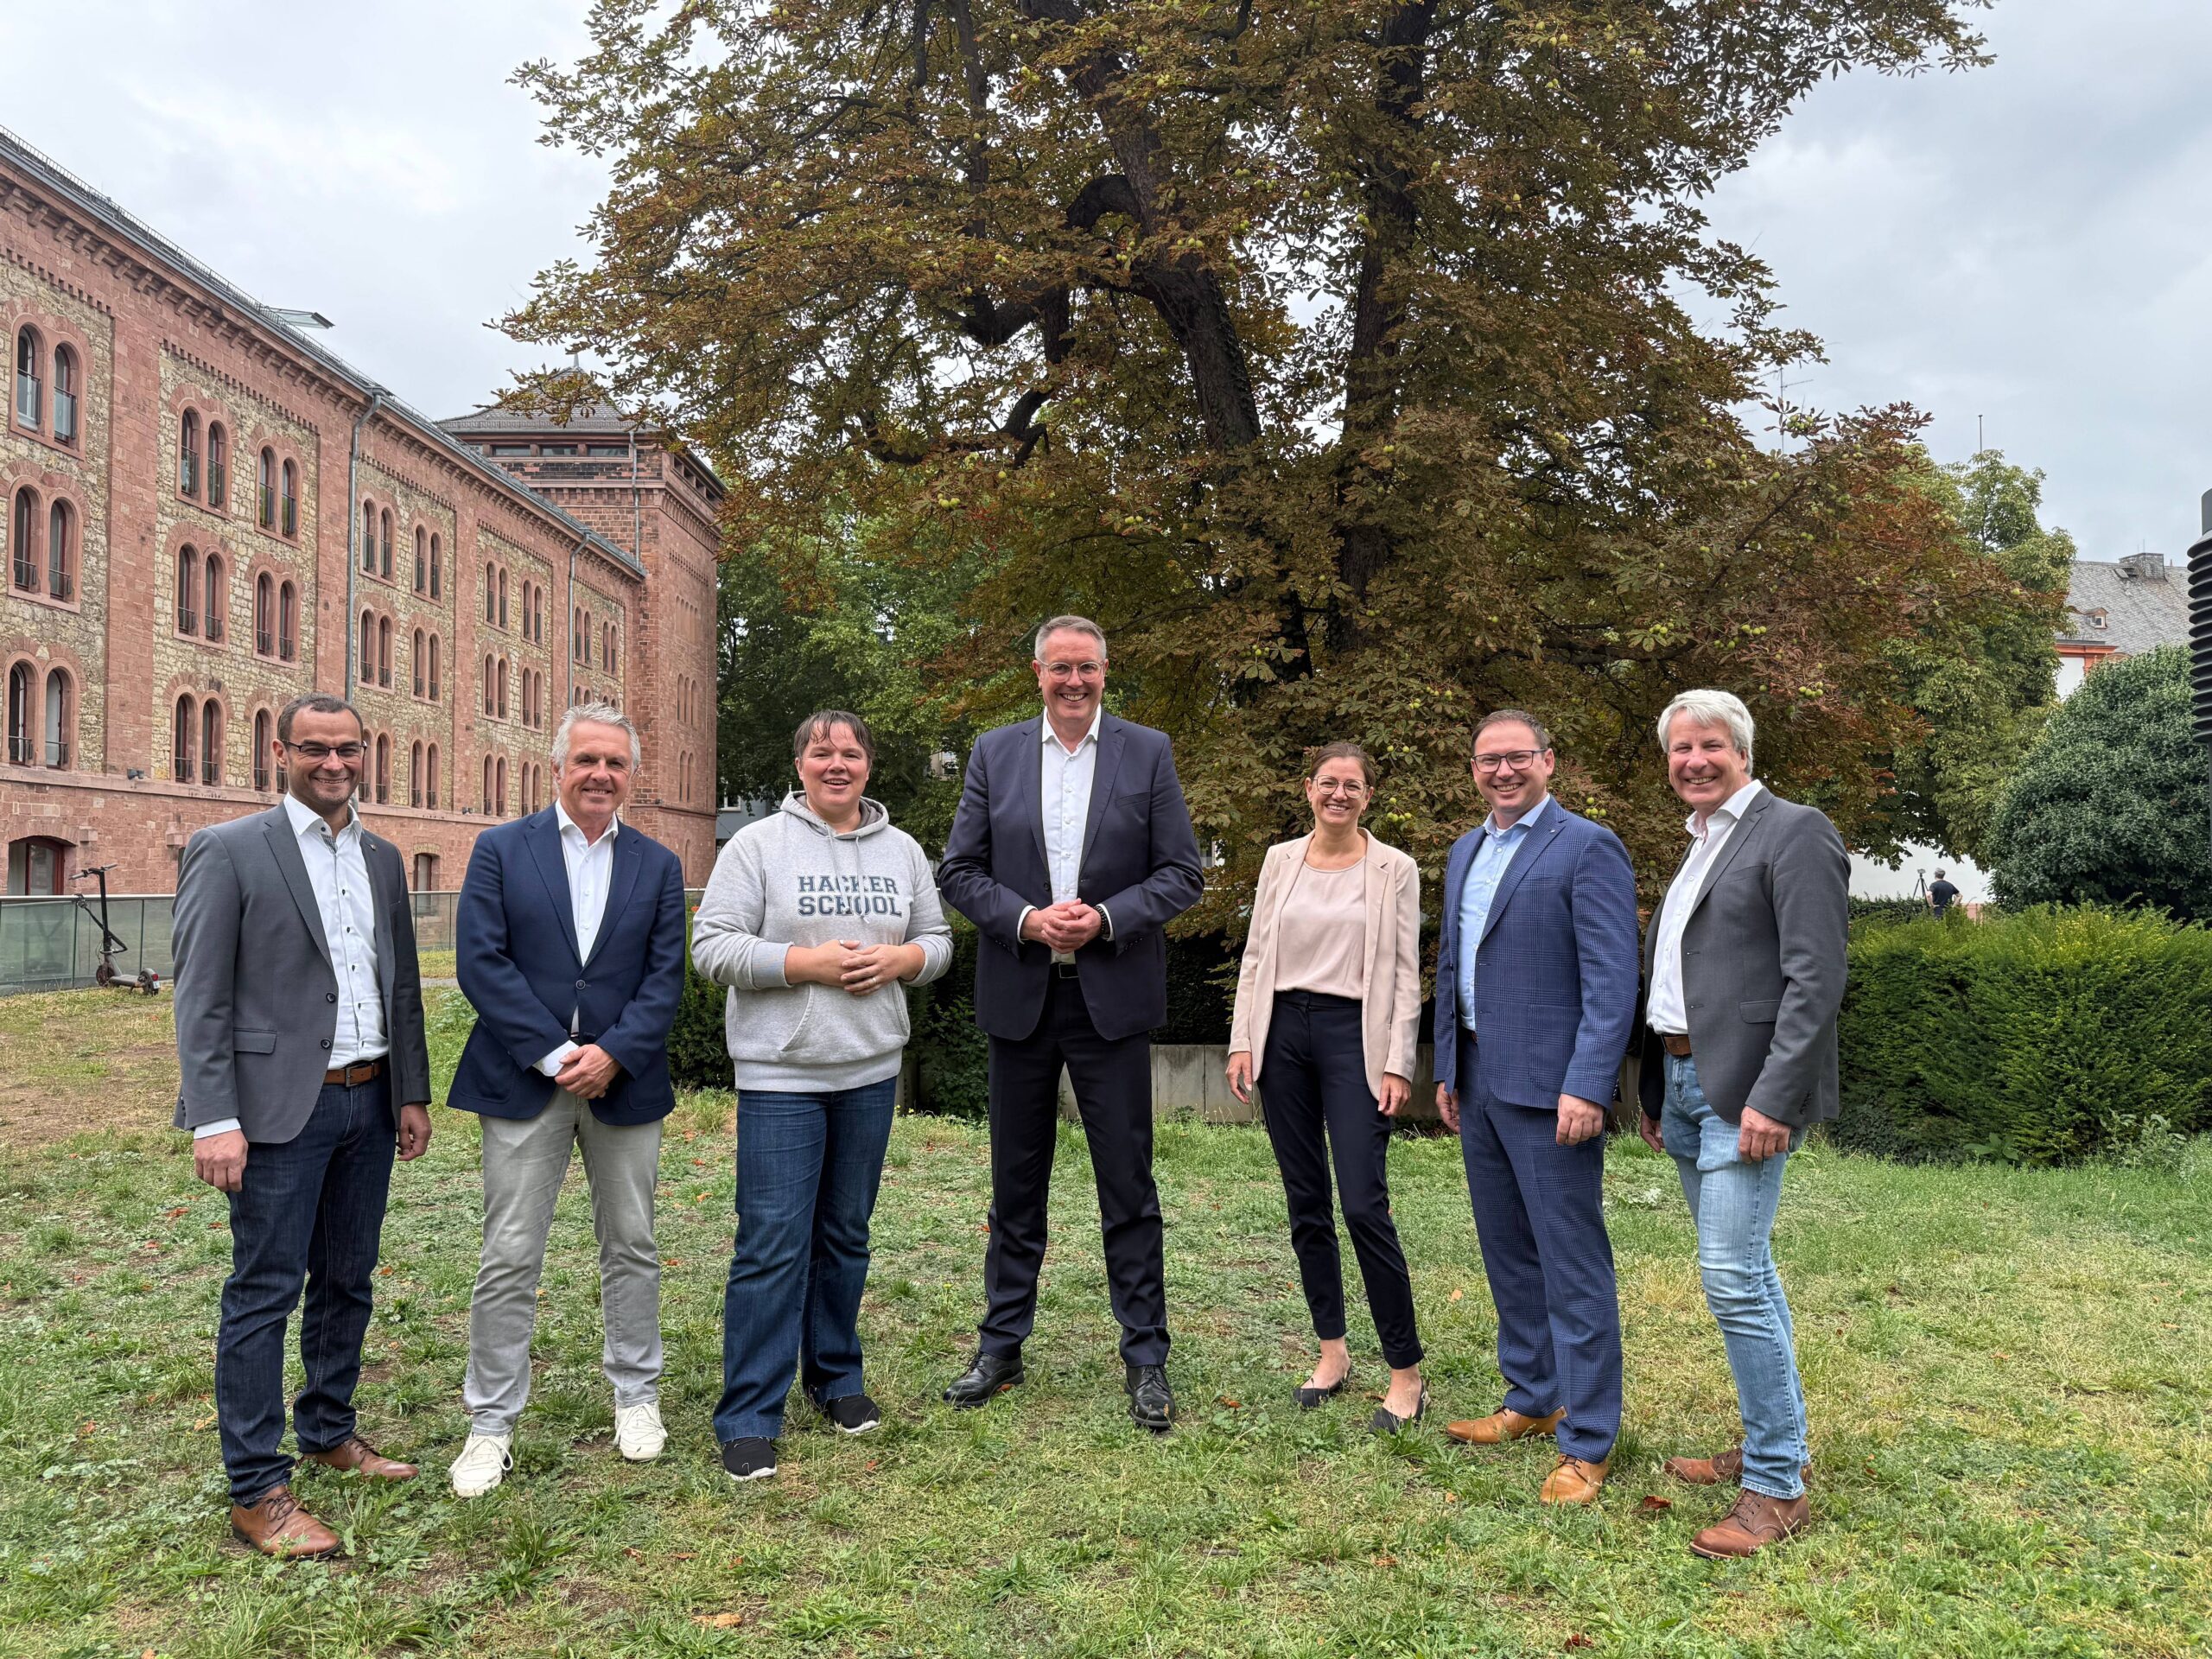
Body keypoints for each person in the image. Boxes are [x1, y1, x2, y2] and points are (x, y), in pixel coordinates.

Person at [172, 693, 434, 1559]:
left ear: (367, 755)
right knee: (264, 1291)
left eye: (349, 750)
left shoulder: (385, 859)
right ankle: (256, 1491)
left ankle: (328, 1428)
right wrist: (215, 1117)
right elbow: (201, 998)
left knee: (348, 1277)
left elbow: (399, 984)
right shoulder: (230, 851)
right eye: (315, 749)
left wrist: (410, 1092)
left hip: (367, 1098)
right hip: (279, 1108)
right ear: (281, 751)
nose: (335, 764)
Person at [936, 614, 1204, 1431]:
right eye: (1060, 668)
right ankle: (1001, 1345)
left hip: (1110, 1000)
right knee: (1016, 1186)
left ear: (1105, 669)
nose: (1074, 681)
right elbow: (959, 869)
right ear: (1037, 672)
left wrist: (1108, 919)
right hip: (1021, 996)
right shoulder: (995, 753)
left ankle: (1146, 1359)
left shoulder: (1146, 752)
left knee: (1128, 1184)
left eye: (1087, 667)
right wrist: (1023, 920)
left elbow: (1181, 874)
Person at [690, 711, 954, 1483]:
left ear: (868, 765)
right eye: (820, 752)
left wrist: (902, 957)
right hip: (782, 1076)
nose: (836, 764)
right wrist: (803, 963)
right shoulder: (756, 846)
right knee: (772, 1243)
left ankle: (836, 1378)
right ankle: (748, 1414)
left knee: (846, 1234)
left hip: (869, 1069)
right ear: (799, 764)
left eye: (850, 753)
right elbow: (711, 946)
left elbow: (938, 941)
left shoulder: (902, 850)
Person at [445, 703, 687, 1498]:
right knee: (510, 1254)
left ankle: (637, 1396)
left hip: (625, 1083)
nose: (600, 775)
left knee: (633, 1245)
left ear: (630, 775)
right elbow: (482, 964)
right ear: (557, 768)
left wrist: (613, 1053)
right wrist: (556, 1055)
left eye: (615, 763)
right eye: (587, 760)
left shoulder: (656, 864)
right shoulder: (499, 852)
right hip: (524, 1080)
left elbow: (664, 979)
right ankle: (490, 1422)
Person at [1635, 688, 1847, 1558]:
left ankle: (1775, 1485)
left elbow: (1815, 979)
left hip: (1743, 1095)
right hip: (1683, 1084)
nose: (1693, 760)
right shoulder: (1699, 846)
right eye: (1680, 748)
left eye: (1709, 745)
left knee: (1729, 1279)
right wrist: (1654, 1089)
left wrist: (1773, 1095)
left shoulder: (1792, 831)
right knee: (1748, 1273)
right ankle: (1776, 1446)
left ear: (1743, 751)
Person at [1431, 710, 1639, 1505]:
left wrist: (1588, 1084)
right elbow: (1454, 965)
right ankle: (1532, 1397)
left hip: (1554, 1092)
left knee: (1570, 1261)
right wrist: (1447, 1066)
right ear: (1474, 769)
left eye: (1519, 757)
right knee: (1509, 1254)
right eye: (1489, 759)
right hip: (1479, 1082)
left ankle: (1589, 1438)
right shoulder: (1465, 851)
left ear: (1550, 761)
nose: (1503, 771)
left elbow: (1612, 979)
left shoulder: (1587, 847)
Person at [1225, 742, 1427, 1433]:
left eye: (1354, 785)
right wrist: (1243, 1038)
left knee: (1364, 1204)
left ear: (1368, 796)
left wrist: (1399, 1061)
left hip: (1355, 1038)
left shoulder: (1395, 869)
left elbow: (1404, 972)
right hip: (1283, 1031)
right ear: (1307, 787)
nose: (1339, 794)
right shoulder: (1280, 859)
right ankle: (1332, 1353)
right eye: (1328, 783)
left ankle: (1406, 1376)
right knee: (1305, 1200)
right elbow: (1257, 952)